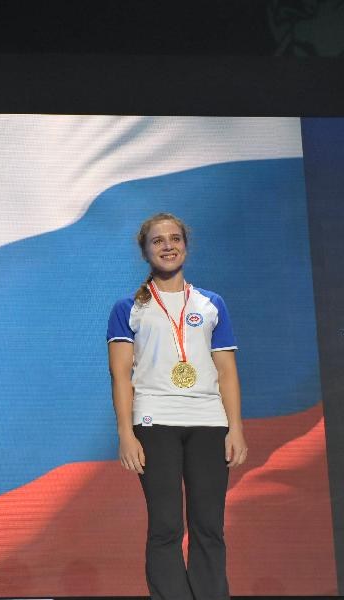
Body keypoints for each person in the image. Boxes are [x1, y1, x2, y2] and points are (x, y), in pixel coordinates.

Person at [106, 212, 248, 600]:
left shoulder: (211, 304)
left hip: (209, 422)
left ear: (185, 245)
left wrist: (235, 428)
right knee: (166, 526)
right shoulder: (127, 308)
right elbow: (120, 376)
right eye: (158, 240)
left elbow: (227, 372)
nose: (167, 246)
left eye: (175, 239)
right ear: (145, 251)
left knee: (209, 526)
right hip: (154, 422)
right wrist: (125, 433)